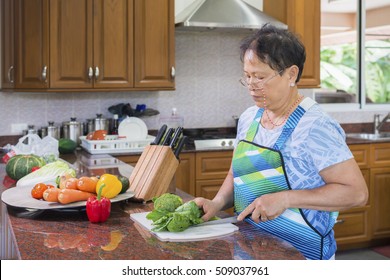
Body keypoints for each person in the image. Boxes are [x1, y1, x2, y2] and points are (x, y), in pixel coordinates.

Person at [194, 24, 368, 260]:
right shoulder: (249, 117)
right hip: (249, 250)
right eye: (247, 76)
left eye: (261, 76)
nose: (252, 85)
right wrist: (217, 203)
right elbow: (239, 174)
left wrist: (286, 199)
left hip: (301, 256)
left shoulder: (315, 126)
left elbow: (356, 193)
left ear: (291, 74)